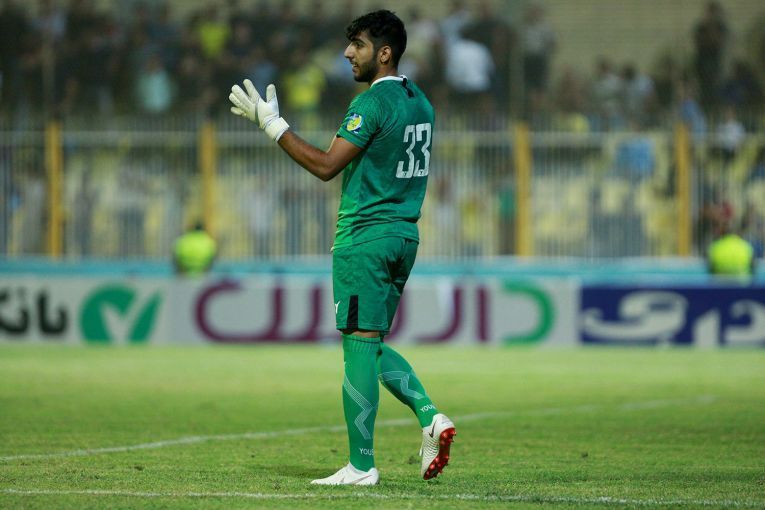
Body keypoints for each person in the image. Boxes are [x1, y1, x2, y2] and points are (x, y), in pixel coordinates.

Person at [229, 9, 455, 485]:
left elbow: (327, 165)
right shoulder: (421, 101)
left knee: (357, 346)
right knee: (370, 344)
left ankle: (361, 465)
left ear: (384, 53)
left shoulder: (370, 104)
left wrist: (273, 125)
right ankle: (430, 416)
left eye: (359, 45)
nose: (348, 53)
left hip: (364, 238)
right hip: (403, 235)